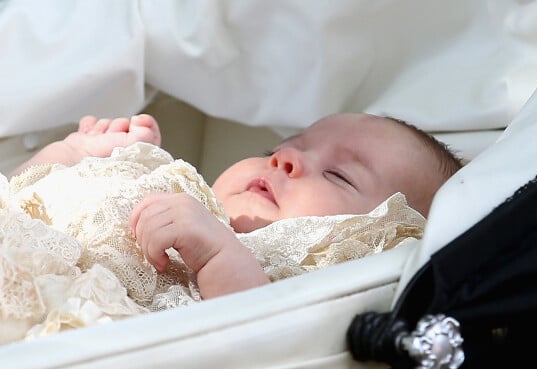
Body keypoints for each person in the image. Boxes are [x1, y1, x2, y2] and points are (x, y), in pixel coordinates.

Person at [9, 112, 462, 300]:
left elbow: (255, 337)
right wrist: (73, 155)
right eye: (280, 147)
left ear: (376, 237)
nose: (286, 159)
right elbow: (18, 201)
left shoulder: (292, 270)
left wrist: (217, 256)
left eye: (339, 175)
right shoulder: (174, 186)